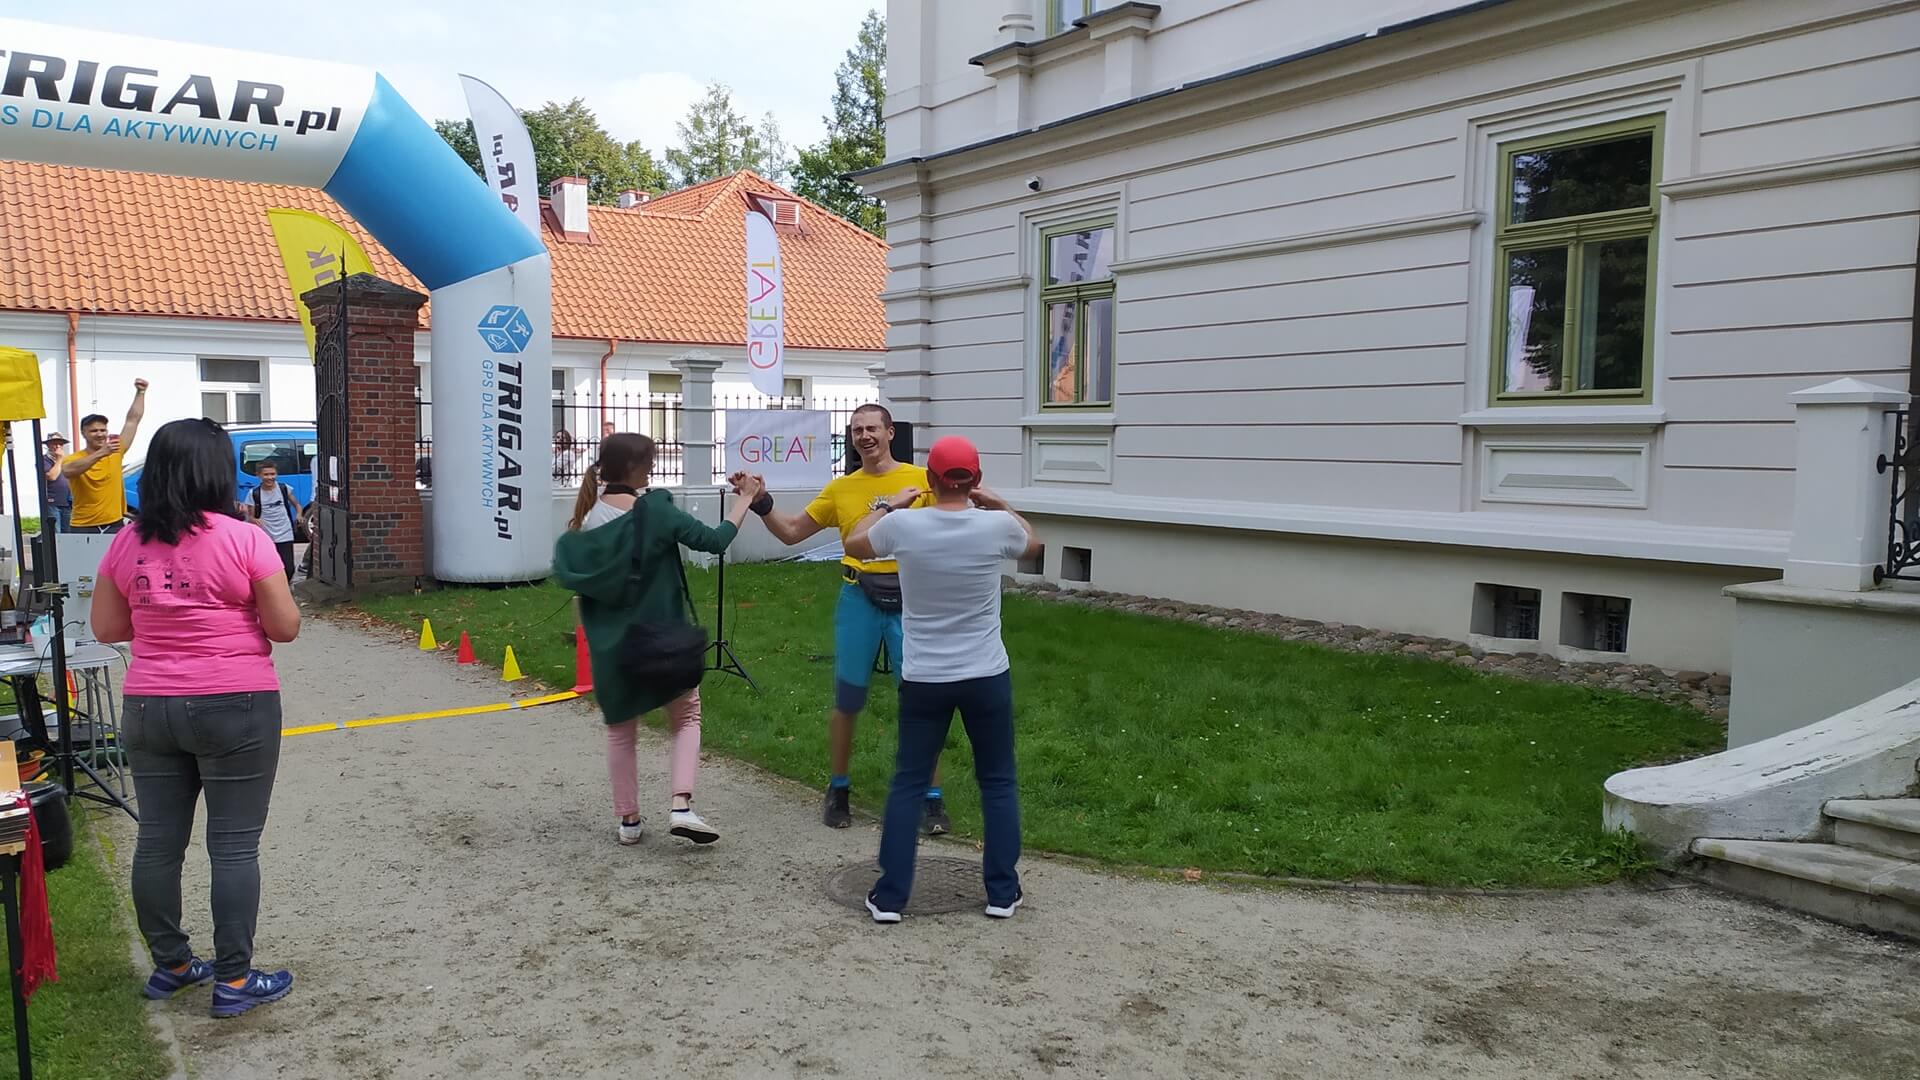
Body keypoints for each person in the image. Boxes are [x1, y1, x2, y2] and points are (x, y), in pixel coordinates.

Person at [90, 417, 301, 1017]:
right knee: (233, 846)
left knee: (158, 840)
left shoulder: (125, 542)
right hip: (236, 699)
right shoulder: (245, 538)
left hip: (149, 704)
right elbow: (285, 627)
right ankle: (234, 980)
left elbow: (106, 628)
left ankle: (173, 964)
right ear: (217, 472)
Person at [845, 436, 1040, 923]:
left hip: (926, 676)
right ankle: (1001, 892)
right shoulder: (996, 526)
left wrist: (890, 504)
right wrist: (999, 502)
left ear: (930, 480)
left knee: (909, 781)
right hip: (986, 673)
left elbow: (853, 543)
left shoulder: (903, 525)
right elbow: (1034, 545)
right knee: (997, 780)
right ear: (976, 480)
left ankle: (890, 897)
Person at [731, 403, 949, 834]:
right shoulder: (841, 489)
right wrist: (761, 502)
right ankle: (839, 788)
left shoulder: (922, 481)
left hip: (912, 600)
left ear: (890, 432)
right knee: (848, 700)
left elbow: (953, 522)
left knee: (922, 701)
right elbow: (792, 532)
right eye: (856, 430)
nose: (864, 436)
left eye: (872, 428)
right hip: (858, 596)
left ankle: (931, 797)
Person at [553, 433, 764, 847]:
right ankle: (681, 805)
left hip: (612, 648)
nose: (652, 469)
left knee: (620, 730)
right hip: (661, 641)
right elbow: (715, 540)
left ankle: (629, 821)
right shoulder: (658, 513)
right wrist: (745, 498)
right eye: (649, 462)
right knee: (686, 716)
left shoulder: (587, 523)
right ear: (636, 469)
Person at [61, 377, 148, 532]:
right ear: (83, 433)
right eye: (94, 431)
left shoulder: (116, 451)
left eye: (103, 430)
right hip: (83, 525)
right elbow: (68, 471)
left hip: (114, 523)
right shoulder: (74, 458)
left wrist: (141, 392)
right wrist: (101, 453)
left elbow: (133, 421)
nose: (100, 434)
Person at [243, 463, 302, 581]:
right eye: (266, 474)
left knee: (289, 568)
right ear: (258, 475)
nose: (270, 477)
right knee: (268, 568)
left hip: (285, 532)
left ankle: (285, 585)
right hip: (266, 535)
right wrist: (255, 520)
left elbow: (297, 505)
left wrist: (299, 515)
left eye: (272, 474)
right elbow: (250, 517)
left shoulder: (284, 488)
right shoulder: (254, 493)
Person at [39, 432, 72, 533]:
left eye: (60, 444)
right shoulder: (43, 460)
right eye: (54, 443)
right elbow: (52, 476)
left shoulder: (67, 460)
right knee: (55, 534)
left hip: (67, 502)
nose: (58, 446)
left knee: (68, 534)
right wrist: (59, 459)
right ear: (48, 445)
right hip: (52, 503)